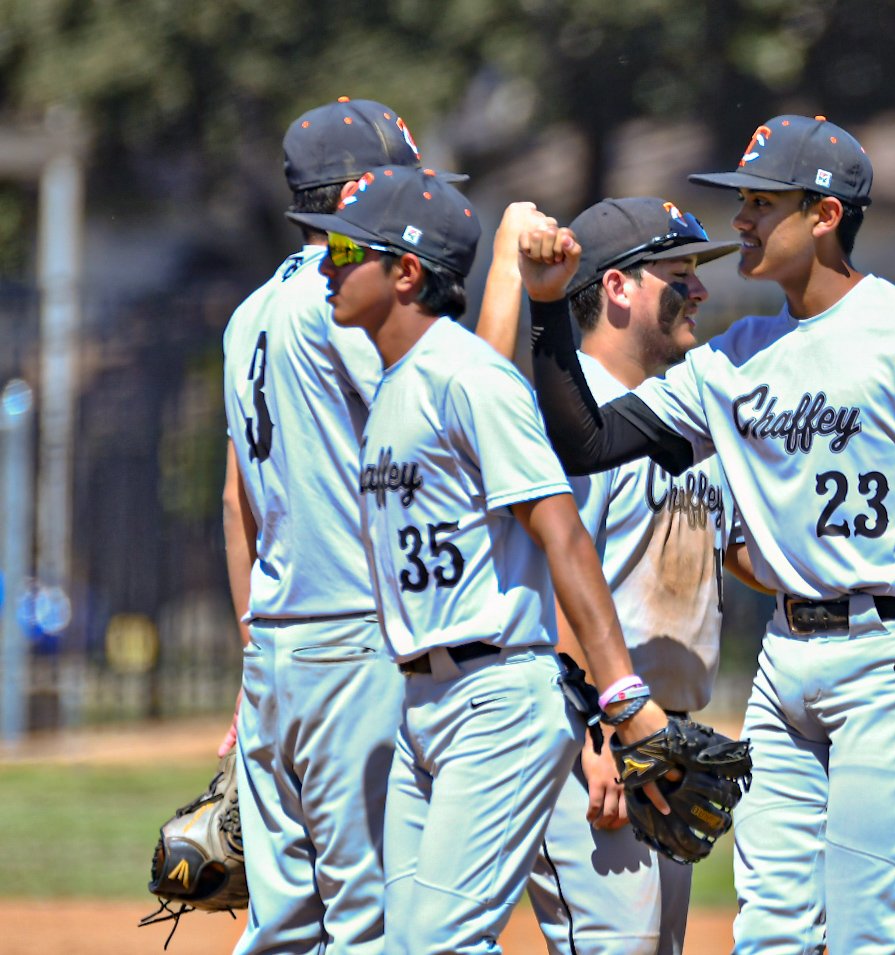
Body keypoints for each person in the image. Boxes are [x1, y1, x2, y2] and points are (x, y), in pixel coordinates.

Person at [521, 114, 895, 955]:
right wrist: (548, 308)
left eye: (762, 203)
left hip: (894, 658)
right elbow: (582, 442)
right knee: (769, 933)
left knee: (868, 933)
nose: (740, 222)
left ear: (826, 215)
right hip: (784, 659)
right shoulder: (735, 357)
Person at [289, 164, 676, 955]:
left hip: (497, 698)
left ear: (404, 272)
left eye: (342, 249)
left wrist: (624, 697)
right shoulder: (400, 384)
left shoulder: (469, 380)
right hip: (423, 707)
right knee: (405, 945)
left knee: (438, 943)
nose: (324, 263)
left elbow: (564, 535)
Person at [476, 196, 761, 955]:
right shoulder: (575, 418)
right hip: (597, 730)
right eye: (679, 273)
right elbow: (550, 576)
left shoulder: (677, 412)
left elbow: (732, 550)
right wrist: (594, 733)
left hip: (662, 739)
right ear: (617, 288)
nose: (699, 289)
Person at [221, 97, 458, 955]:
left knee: (283, 924)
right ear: (361, 190)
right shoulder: (343, 307)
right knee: (372, 917)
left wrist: (253, 659)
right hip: (356, 639)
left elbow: (234, 500)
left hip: (280, 649)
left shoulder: (249, 313)